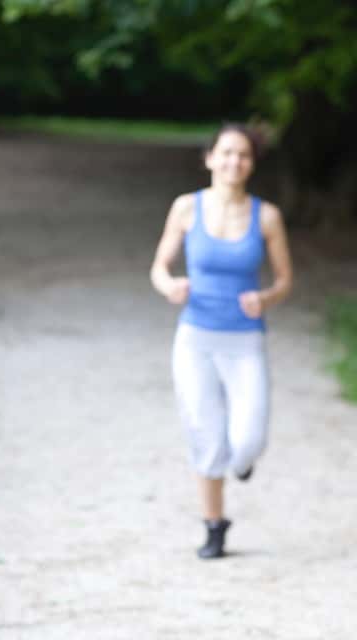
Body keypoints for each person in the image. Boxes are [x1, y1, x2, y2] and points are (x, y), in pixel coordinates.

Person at [150, 123, 293, 559]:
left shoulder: (265, 216)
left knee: (248, 441)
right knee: (206, 436)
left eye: (243, 155)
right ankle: (214, 525)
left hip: (245, 341)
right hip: (195, 339)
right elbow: (158, 267)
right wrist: (170, 286)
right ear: (210, 157)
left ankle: (243, 463)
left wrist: (265, 297)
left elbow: (285, 279)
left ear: (252, 163)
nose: (234, 162)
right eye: (226, 153)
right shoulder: (186, 208)